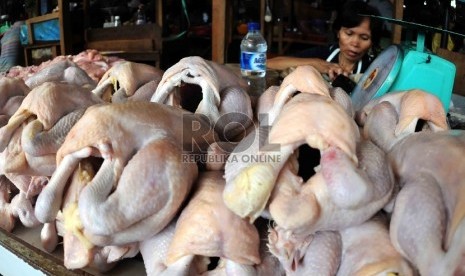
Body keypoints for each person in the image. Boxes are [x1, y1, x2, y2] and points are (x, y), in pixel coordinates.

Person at [267, 0, 383, 81]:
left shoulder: (373, 67)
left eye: (364, 38)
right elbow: (269, 64)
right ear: (338, 32)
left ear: (372, 41)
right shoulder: (324, 54)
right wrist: (317, 64)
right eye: (349, 33)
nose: (355, 43)